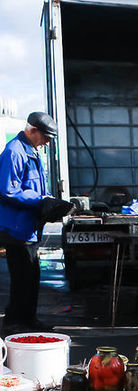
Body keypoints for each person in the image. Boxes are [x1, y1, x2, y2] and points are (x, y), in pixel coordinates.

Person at [0, 112, 57, 334]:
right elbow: (8, 190)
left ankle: (28, 319)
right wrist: (41, 201)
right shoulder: (14, 152)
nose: (47, 142)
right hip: (17, 228)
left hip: (28, 227)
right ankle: (15, 322)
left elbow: (36, 187)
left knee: (31, 275)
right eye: (45, 137)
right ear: (32, 130)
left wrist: (49, 200)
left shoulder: (31, 151)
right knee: (22, 276)